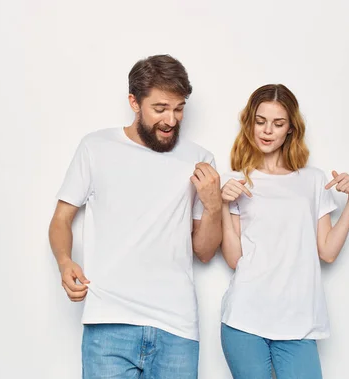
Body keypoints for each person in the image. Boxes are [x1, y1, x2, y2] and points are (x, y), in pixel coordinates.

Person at [48, 54, 222, 378]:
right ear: (134, 102)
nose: (171, 119)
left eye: (179, 108)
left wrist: (213, 205)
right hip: (108, 324)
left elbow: (205, 251)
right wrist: (64, 260)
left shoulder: (200, 159)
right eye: (160, 108)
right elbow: (61, 219)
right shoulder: (95, 147)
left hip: (177, 328)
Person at [219, 84, 349, 379]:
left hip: (299, 323)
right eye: (260, 121)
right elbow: (235, 259)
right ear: (250, 124)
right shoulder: (236, 181)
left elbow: (328, 252)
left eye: (278, 123)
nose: (267, 130)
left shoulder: (312, 180)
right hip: (245, 318)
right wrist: (223, 205)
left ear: (291, 129)